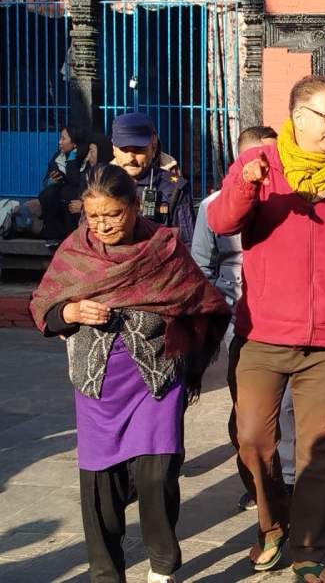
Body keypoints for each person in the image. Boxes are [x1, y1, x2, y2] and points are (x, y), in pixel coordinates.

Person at [207, 74, 325, 583]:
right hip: (263, 333)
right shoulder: (259, 165)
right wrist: (246, 184)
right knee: (251, 438)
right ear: (298, 117)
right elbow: (221, 223)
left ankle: (309, 548)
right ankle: (273, 524)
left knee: (322, 451)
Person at [29, 164, 230, 583]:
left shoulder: (163, 248)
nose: (102, 225)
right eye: (93, 216)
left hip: (156, 375)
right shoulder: (75, 251)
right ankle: (106, 573)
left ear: (135, 206)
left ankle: (162, 564)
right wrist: (70, 312)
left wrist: (186, 348)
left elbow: (203, 300)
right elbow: (44, 306)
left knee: (157, 474)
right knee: (100, 480)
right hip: (97, 380)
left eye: (113, 214)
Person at [191, 125, 288, 513]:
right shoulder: (213, 206)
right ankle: (257, 483)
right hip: (239, 316)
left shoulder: (291, 198)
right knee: (249, 411)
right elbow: (202, 264)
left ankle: (289, 482)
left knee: (288, 410)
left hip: (285, 314)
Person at [110, 112, 195, 246]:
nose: (131, 158)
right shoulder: (100, 184)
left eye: (138, 150)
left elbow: (186, 243)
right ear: (114, 149)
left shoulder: (175, 188)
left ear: (153, 147)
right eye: (124, 150)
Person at [10, 125, 90, 240]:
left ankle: (58, 235)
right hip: (54, 204)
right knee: (45, 195)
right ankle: (49, 233)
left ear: (75, 144)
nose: (59, 142)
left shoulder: (85, 160)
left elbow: (75, 182)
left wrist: (71, 159)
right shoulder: (58, 157)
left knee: (67, 194)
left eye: (63, 139)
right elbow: (46, 181)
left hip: (72, 206)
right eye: (60, 138)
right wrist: (50, 181)